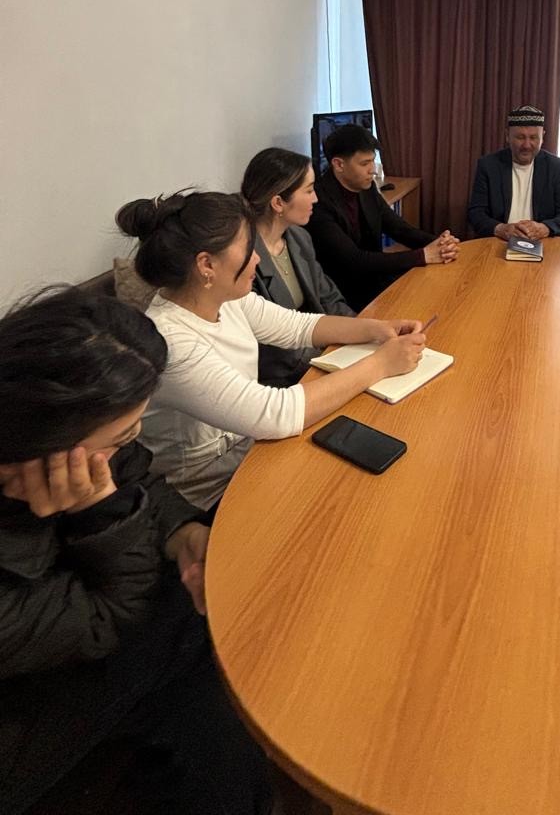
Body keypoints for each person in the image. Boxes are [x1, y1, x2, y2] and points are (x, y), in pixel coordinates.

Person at [0, 287, 274, 815]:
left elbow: (138, 476)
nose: (132, 441)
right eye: (122, 436)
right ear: (43, 442)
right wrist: (102, 511)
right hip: (24, 705)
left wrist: (183, 532)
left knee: (203, 626)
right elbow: (106, 619)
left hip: (86, 606)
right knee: (192, 631)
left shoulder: (66, 445)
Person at [117, 192, 425, 509]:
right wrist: (380, 364)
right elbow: (275, 414)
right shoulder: (171, 342)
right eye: (247, 248)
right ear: (207, 264)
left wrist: (377, 329)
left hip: (255, 455)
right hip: (211, 499)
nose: (257, 258)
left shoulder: (224, 298)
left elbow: (297, 326)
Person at [307, 124, 460, 312]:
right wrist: (423, 255)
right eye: (364, 163)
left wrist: (440, 243)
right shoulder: (318, 203)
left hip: (375, 277)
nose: (373, 170)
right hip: (345, 294)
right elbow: (355, 260)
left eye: (373, 161)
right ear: (338, 164)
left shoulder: (366, 187)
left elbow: (398, 228)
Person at [242, 146, 354, 387]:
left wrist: (363, 332)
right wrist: (332, 359)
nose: (316, 199)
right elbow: (271, 349)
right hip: (281, 379)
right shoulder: (243, 259)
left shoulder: (299, 238)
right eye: (310, 190)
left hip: (318, 353)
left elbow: (330, 298)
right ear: (278, 203)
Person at [467, 104, 560, 241]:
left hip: (541, 243)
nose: (526, 145)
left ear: (542, 137)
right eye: (520, 137)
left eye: (533, 138)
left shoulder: (556, 167)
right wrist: (501, 229)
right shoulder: (488, 165)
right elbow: (476, 213)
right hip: (499, 241)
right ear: (507, 136)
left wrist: (544, 228)